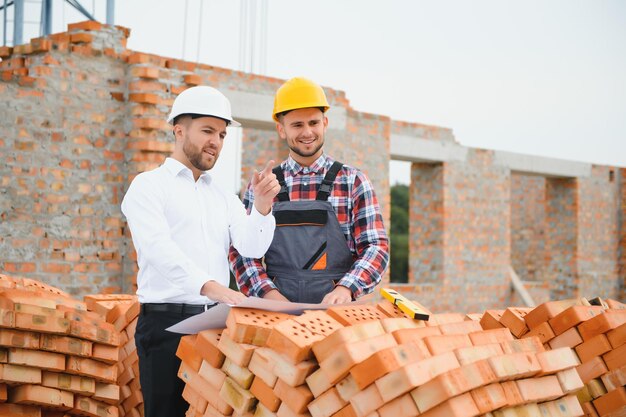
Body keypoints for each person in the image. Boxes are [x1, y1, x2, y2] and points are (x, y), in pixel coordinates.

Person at [121, 85, 280, 417]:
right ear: (179, 130)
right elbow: (157, 249)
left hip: (214, 325)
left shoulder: (222, 196)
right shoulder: (148, 186)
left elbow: (251, 246)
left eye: (222, 134)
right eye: (207, 130)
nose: (216, 142)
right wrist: (212, 286)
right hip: (166, 325)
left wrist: (262, 208)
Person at [229, 77, 389, 304]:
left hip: (338, 313)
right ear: (281, 129)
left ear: (325, 123)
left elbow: (376, 247)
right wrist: (269, 295)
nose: (307, 132)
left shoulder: (353, 182)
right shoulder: (265, 186)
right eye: (297, 125)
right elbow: (241, 250)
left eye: (313, 123)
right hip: (276, 313)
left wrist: (346, 289)